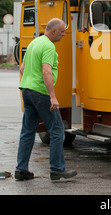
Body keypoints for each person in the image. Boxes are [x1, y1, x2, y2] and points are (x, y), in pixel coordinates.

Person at [15, 18, 77, 181]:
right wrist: (52, 97)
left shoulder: (34, 43)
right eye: (62, 31)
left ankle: (21, 170)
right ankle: (57, 169)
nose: (64, 34)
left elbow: (22, 67)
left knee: (27, 131)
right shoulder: (49, 46)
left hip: (27, 90)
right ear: (54, 31)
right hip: (40, 92)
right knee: (57, 130)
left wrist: (30, 81)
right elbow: (46, 72)